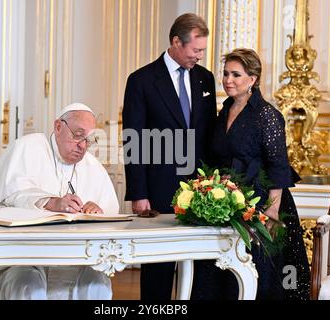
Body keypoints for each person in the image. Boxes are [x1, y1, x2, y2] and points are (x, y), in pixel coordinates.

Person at [191, 48, 310, 300]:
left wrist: (273, 211)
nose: (227, 80)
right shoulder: (224, 111)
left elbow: (278, 165)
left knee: (260, 274)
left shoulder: (267, 116)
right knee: (219, 273)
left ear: (252, 79)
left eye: (236, 74)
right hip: (226, 203)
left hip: (261, 204)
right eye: (225, 74)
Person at [0, 103, 119, 300]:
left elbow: (111, 214)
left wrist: (97, 210)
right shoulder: (27, 147)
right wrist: (51, 202)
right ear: (58, 127)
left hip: (75, 260)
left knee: (97, 283)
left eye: (88, 139)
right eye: (77, 135)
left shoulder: (93, 166)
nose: (82, 145)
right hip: (21, 257)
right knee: (28, 284)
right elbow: (14, 193)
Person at [122, 13, 217, 300]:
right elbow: (134, 140)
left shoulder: (206, 79)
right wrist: (139, 193)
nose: (199, 56)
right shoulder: (141, 80)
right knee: (159, 269)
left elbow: (209, 135)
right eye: (195, 50)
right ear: (176, 41)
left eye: (202, 50)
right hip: (159, 190)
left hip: (201, 191)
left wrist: (214, 186)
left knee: (201, 268)